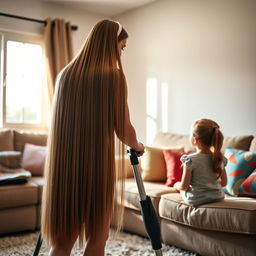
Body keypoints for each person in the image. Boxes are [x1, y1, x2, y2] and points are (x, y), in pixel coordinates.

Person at [41, 20, 144, 256]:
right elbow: (123, 129)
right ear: (111, 44)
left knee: (63, 239)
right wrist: (138, 146)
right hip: (97, 167)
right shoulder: (113, 76)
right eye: (122, 46)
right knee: (99, 236)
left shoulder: (65, 75)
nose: (121, 51)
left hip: (64, 167)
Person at [173, 118, 227, 206]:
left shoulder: (190, 160)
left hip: (197, 199)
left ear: (195, 140)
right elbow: (224, 183)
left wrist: (176, 185)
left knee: (179, 187)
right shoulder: (219, 158)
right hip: (218, 197)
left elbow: (184, 186)